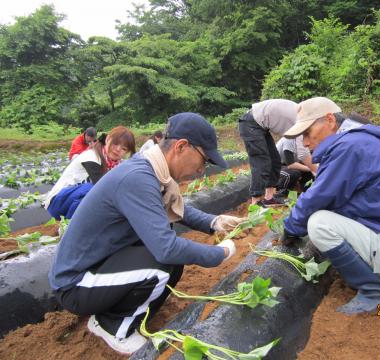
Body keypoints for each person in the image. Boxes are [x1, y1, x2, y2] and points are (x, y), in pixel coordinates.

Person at [49, 113, 245, 355]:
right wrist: (220, 253)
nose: (202, 169)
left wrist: (214, 221)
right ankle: (111, 326)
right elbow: (166, 248)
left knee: (172, 262)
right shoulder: (138, 178)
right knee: (161, 261)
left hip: (100, 265)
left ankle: (120, 312)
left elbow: (176, 208)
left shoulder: (151, 169)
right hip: (77, 284)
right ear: (181, 147)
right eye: (204, 160)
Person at [280, 97, 380, 314]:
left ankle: (374, 292)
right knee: (329, 214)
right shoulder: (360, 142)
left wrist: (290, 228)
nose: (305, 143)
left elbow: (316, 197)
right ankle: (379, 276)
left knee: (319, 223)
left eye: (307, 133)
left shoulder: (348, 147)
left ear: (330, 120)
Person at [45, 126, 136, 220]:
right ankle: (71, 225)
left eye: (124, 149)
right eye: (115, 143)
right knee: (95, 190)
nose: (118, 149)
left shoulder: (118, 164)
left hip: (74, 200)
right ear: (108, 139)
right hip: (58, 202)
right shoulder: (91, 157)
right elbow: (105, 188)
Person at [238, 99, 298, 207]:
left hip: (261, 126)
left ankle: (269, 198)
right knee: (261, 162)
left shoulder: (299, 115)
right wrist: (314, 169)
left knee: (275, 160)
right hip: (251, 123)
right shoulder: (298, 119)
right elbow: (303, 152)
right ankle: (256, 202)